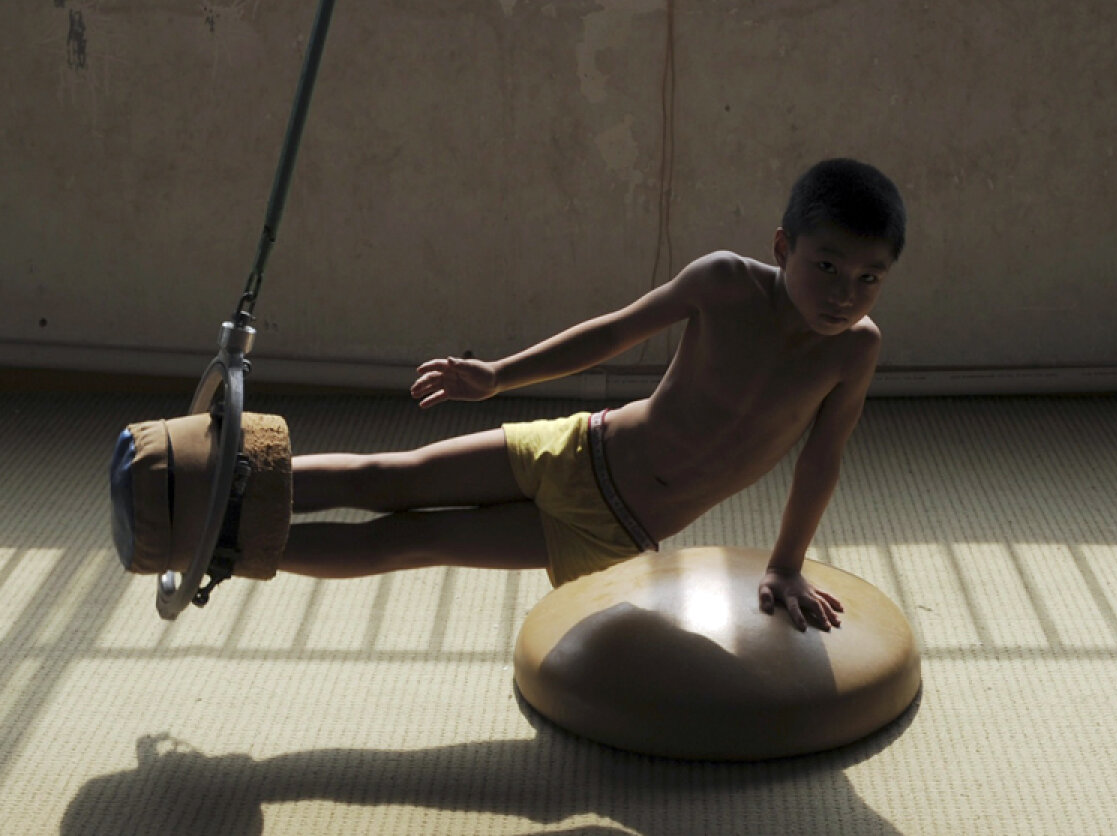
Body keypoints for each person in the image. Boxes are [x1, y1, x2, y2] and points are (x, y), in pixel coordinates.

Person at [279, 158, 906, 632]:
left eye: (867, 278)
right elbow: (612, 332)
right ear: (782, 247)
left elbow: (821, 460)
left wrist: (787, 563)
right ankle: (232, 481)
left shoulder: (854, 350)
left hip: (610, 531)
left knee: (408, 541)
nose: (844, 294)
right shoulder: (724, 282)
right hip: (577, 447)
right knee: (387, 476)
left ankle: (233, 549)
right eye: (826, 266)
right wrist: (498, 376)